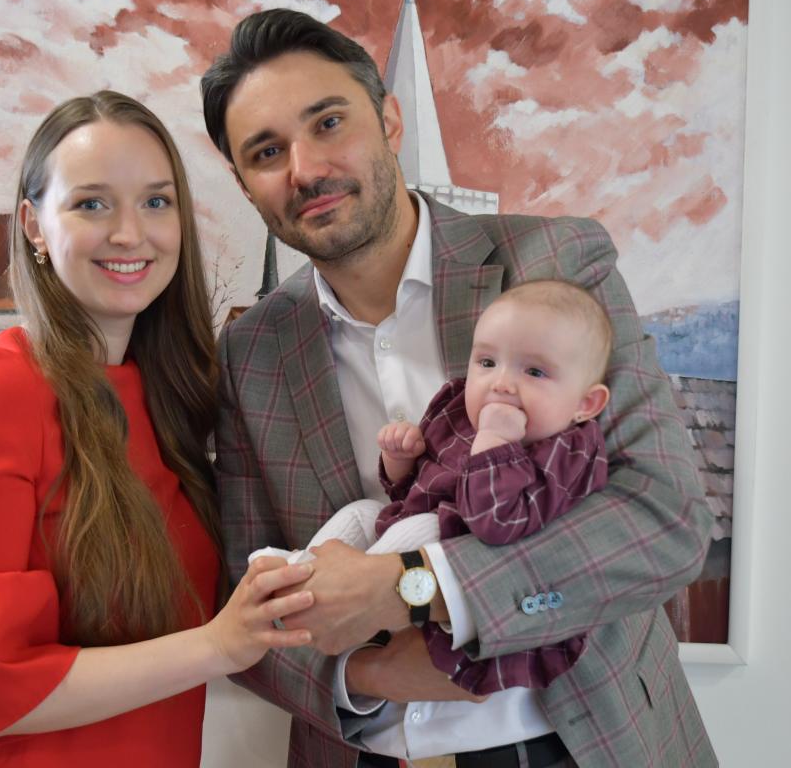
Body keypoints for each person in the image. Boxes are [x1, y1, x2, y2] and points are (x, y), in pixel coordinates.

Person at [203, 9, 718, 768]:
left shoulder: (555, 263)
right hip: (366, 749)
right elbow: (245, 598)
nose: (304, 169)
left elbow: (665, 518)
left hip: (581, 741)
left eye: (329, 122)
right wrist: (365, 674)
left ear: (389, 120)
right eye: (267, 151)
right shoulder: (250, 354)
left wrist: (417, 586)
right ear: (244, 183)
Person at [0, 90, 315, 767]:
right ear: (34, 225)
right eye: (92, 204)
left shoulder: (171, 399)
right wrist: (218, 644)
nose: (129, 233)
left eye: (156, 202)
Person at [253, 279, 613, 696]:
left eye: (534, 372)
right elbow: (409, 492)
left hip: (468, 566)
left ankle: (346, 602)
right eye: (487, 362)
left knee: (421, 528)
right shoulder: (459, 411)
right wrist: (401, 459)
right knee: (363, 512)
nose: (500, 383)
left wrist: (495, 444)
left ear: (585, 404)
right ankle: (301, 575)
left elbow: (496, 522)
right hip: (415, 532)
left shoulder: (567, 452)